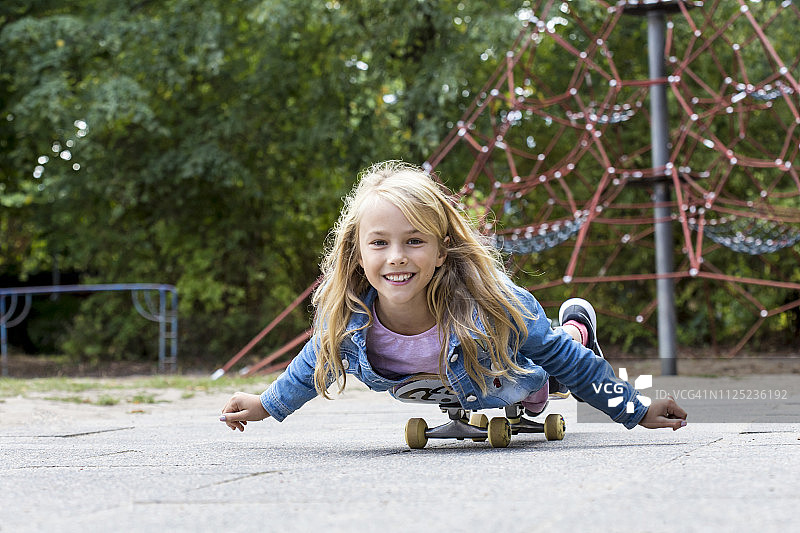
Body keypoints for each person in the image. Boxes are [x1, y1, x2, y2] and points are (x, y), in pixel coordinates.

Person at [220, 161, 687, 434]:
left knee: (545, 367)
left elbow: (563, 358)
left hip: (510, 368)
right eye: (379, 243)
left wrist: (638, 411)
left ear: (442, 250)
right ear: (357, 254)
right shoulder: (349, 318)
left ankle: (577, 329)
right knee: (529, 378)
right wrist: (264, 405)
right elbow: (312, 365)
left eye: (414, 241)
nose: (397, 258)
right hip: (457, 384)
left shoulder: (492, 302)